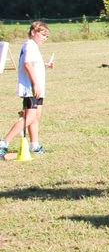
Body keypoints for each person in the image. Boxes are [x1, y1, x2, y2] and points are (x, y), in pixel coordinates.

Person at [0, 21, 54, 157]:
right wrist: (35, 84)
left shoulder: (33, 47)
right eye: (43, 35)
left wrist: (46, 64)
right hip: (30, 88)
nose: (44, 38)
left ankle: (34, 145)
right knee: (29, 118)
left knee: (36, 117)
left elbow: (34, 63)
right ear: (33, 32)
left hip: (36, 88)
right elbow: (27, 64)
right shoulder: (30, 45)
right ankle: (3, 143)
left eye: (46, 36)